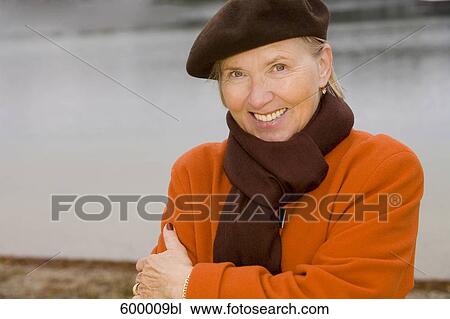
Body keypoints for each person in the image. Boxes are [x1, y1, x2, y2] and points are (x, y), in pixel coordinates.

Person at [133, 0, 424, 299]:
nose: (258, 98)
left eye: (279, 67)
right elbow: (156, 294)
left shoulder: (383, 167)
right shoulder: (196, 171)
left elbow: (347, 301)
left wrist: (191, 286)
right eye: (236, 74)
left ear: (323, 66)